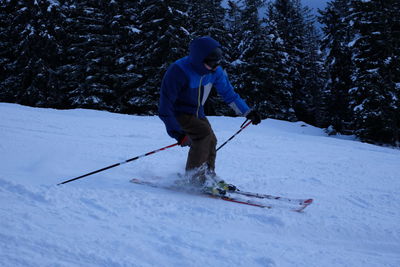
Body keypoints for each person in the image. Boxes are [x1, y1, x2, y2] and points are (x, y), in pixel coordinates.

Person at [158, 36, 261, 194]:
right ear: (198, 59)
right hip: (178, 112)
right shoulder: (178, 71)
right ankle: (194, 179)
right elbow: (165, 107)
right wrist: (178, 133)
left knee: (211, 139)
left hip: (197, 112)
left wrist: (247, 111)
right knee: (203, 135)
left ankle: (208, 174)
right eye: (211, 63)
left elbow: (228, 93)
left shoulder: (214, 71)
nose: (214, 67)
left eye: (217, 63)